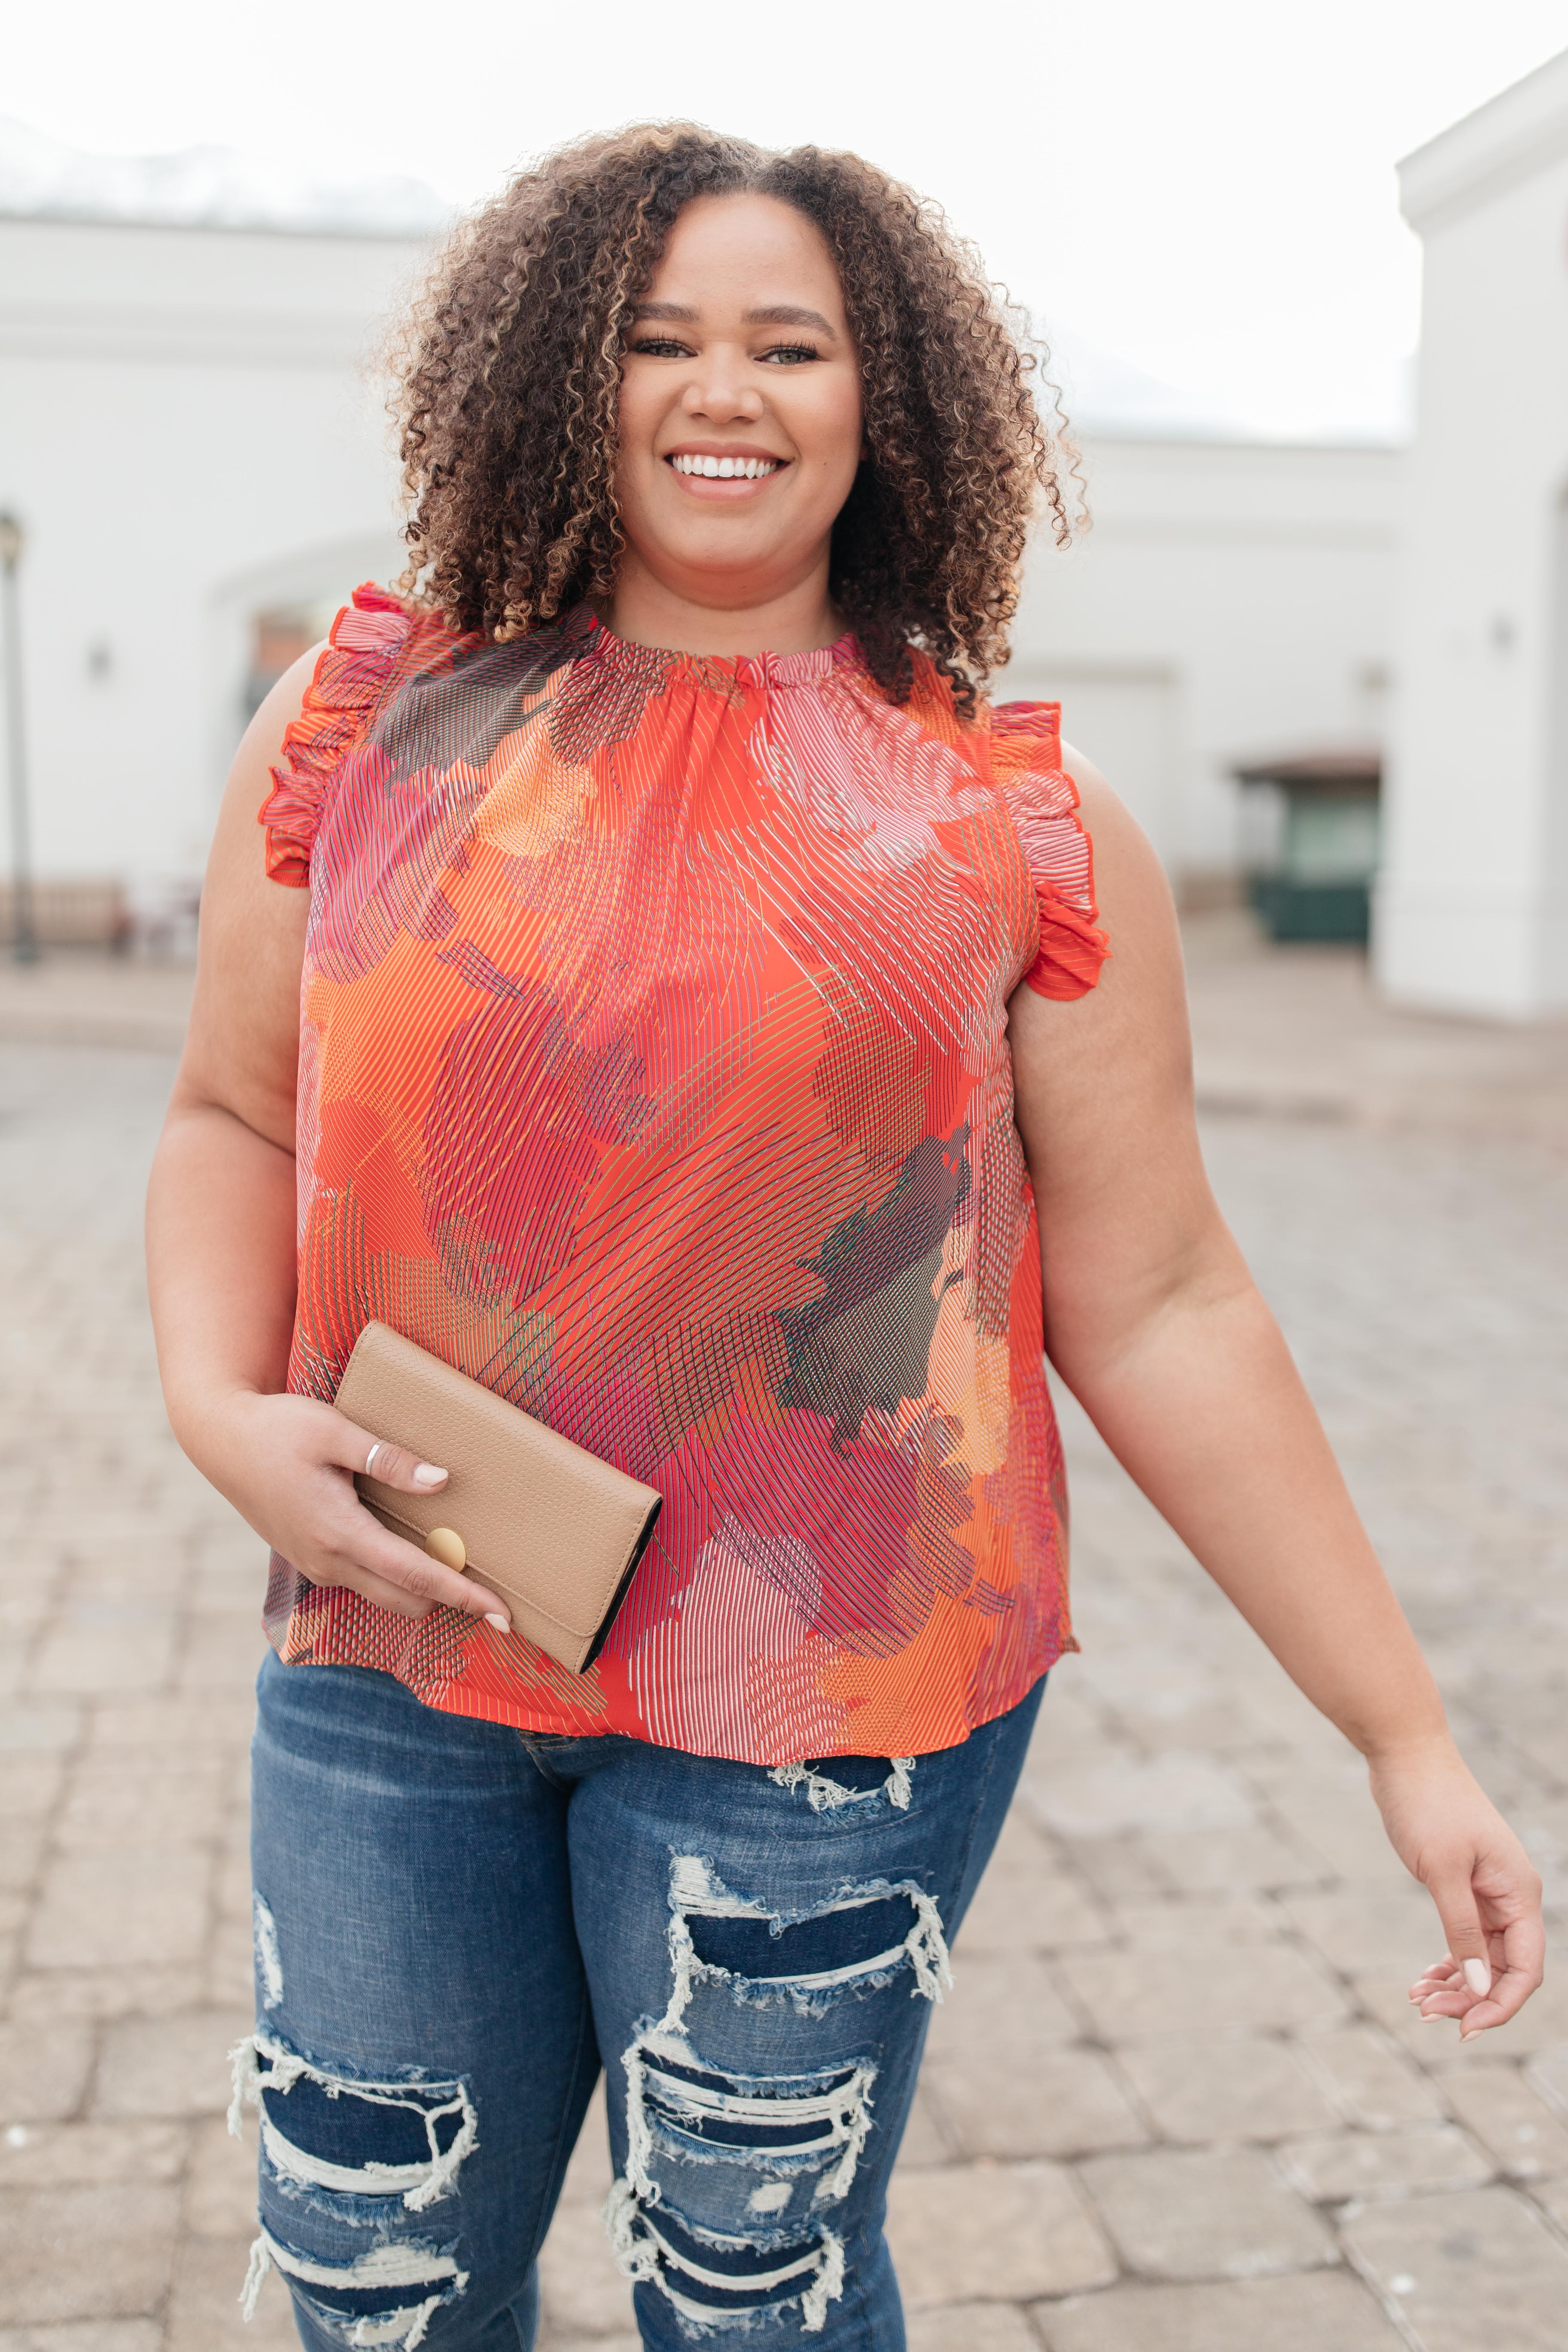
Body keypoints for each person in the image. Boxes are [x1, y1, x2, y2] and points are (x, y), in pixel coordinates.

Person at [146, 123, 1543, 2352]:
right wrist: (222, 1408)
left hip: (823, 1718)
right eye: (658, 336)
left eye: (788, 342)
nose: (726, 390)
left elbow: (1162, 1293)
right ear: (552, 374)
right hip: (397, 1659)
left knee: (751, 2293)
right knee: (370, 2274)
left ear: (879, 395)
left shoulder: (1009, 815)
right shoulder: (368, 734)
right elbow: (232, 1107)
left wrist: (1403, 1732)